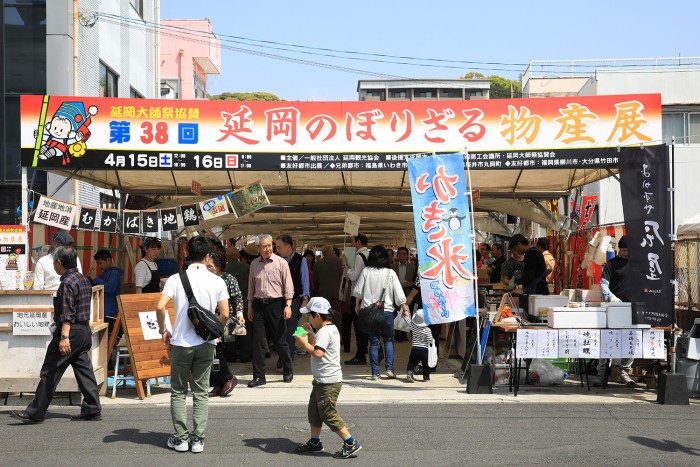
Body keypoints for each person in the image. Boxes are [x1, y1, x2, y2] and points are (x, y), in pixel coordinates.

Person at [11, 246, 101, 424]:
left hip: (71, 332)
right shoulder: (83, 279)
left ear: (59, 263)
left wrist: (64, 337)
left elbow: (67, 313)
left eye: (54, 262)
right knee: (84, 371)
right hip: (83, 331)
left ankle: (35, 412)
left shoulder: (67, 283)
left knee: (50, 370)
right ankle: (92, 409)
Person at [156, 236, 229, 453]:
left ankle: (180, 439)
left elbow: (160, 307)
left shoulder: (176, 279)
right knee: (200, 391)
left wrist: (164, 330)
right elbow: (225, 313)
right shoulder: (217, 280)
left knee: (178, 391)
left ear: (188, 253)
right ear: (208, 256)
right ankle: (197, 440)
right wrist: (215, 331)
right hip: (206, 343)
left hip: (180, 342)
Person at [293, 297, 362, 459]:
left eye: (310, 315)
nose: (308, 318)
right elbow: (321, 346)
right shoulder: (330, 329)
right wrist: (311, 334)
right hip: (322, 380)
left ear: (317, 315)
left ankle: (350, 442)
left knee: (328, 413)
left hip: (328, 382)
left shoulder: (325, 331)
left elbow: (318, 353)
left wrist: (304, 343)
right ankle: (315, 442)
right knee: (315, 412)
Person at [352, 245, 408, 380]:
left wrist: (357, 305)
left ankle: (375, 372)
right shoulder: (390, 273)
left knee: (374, 342)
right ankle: (389, 369)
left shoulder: (366, 271)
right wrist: (405, 309)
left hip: (370, 311)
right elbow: (399, 293)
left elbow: (358, 291)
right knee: (388, 340)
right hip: (387, 311)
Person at [247, 234, 295, 387]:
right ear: (258, 248)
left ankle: (288, 369)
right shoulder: (254, 264)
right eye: (264, 246)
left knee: (280, 340)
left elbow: (288, 286)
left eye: (269, 245)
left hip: (276, 304)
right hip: (259, 305)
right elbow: (251, 287)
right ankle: (259, 376)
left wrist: (288, 305)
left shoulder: (281, 263)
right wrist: (250, 306)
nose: (268, 248)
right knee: (258, 342)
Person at [595, 236, 635, 387]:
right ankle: (602, 374)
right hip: (615, 307)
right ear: (619, 250)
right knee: (607, 339)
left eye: (628, 250)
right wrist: (612, 298)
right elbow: (603, 285)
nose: (626, 253)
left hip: (633, 307)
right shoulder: (611, 265)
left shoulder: (639, 264)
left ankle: (624, 371)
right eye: (624, 250)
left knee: (631, 340)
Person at [206, 252, 245, 397]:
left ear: (219, 266)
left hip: (225, 319)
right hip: (209, 319)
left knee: (218, 350)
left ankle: (228, 378)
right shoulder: (206, 279)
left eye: (210, 266)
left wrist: (240, 314)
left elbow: (237, 298)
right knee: (213, 351)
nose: (208, 268)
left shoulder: (229, 279)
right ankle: (219, 382)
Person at [275, 234, 311, 361]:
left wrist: (305, 300)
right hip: (279, 300)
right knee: (279, 330)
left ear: (289, 247)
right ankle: (283, 356)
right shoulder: (276, 261)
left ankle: (288, 359)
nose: (277, 250)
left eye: (279, 247)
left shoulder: (300, 260)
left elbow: (305, 281)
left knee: (291, 331)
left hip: (295, 300)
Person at [341, 233, 371, 365]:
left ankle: (360, 355)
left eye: (353, 240)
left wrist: (345, 267)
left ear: (358, 242)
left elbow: (353, 277)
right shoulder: (369, 254)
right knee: (366, 324)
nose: (351, 243)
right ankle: (376, 349)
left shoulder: (359, 256)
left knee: (359, 326)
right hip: (369, 294)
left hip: (358, 295)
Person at [226, 243, 255, 363]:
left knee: (228, 330)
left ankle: (230, 354)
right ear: (238, 255)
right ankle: (245, 355)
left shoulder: (224, 269)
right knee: (244, 329)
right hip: (244, 301)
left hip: (226, 303)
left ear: (226, 257)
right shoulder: (246, 268)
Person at [91, 249, 122, 337]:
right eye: (98, 264)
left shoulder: (114, 273)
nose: (99, 266)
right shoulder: (103, 273)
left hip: (109, 310)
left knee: (106, 336)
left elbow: (110, 288)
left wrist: (95, 278)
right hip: (101, 310)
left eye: (100, 263)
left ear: (109, 260)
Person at [402, 308, 434, 382]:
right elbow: (430, 340)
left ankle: (410, 373)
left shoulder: (413, 327)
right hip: (424, 350)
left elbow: (409, 322)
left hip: (415, 349)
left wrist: (405, 316)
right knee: (426, 364)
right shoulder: (427, 330)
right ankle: (426, 376)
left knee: (412, 362)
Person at [313, 244, 343, 316]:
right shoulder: (338, 261)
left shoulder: (317, 264)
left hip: (322, 294)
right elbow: (341, 276)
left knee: (324, 315)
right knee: (334, 315)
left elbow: (315, 281)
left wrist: (317, 292)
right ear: (330, 252)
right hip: (334, 294)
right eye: (333, 251)